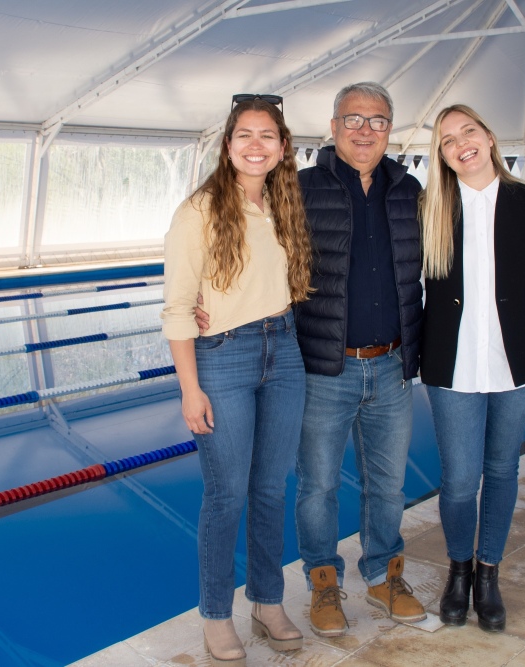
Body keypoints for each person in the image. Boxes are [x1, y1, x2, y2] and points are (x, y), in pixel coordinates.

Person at [194, 81, 426, 637]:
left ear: (390, 130)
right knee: (317, 486)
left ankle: (385, 575)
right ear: (333, 126)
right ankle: (324, 583)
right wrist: (210, 296)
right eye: (353, 119)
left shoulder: (410, 189)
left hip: (392, 365)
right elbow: (242, 234)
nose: (364, 130)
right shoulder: (296, 188)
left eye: (377, 121)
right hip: (324, 364)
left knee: (389, 485)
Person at [161, 95, 312, 666]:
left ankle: (267, 602)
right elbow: (177, 306)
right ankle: (216, 614)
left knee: (272, 488)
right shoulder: (197, 212)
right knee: (227, 494)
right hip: (223, 356)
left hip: (286, 351)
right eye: (244, 135)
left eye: (267, 135)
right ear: (227, 146)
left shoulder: (284, 202)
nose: (256, 145)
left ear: (282, 146)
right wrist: (189, 387)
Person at [418, 104, 525, 632]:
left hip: (516, 366)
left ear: (489, 136)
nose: (461, 144)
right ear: (441, 155)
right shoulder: (432, 208)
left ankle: (489, 573)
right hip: (451, 369)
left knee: (502, 471)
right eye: (447, 140)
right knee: (459, 481)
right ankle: (458, 570)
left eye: (468, 132)